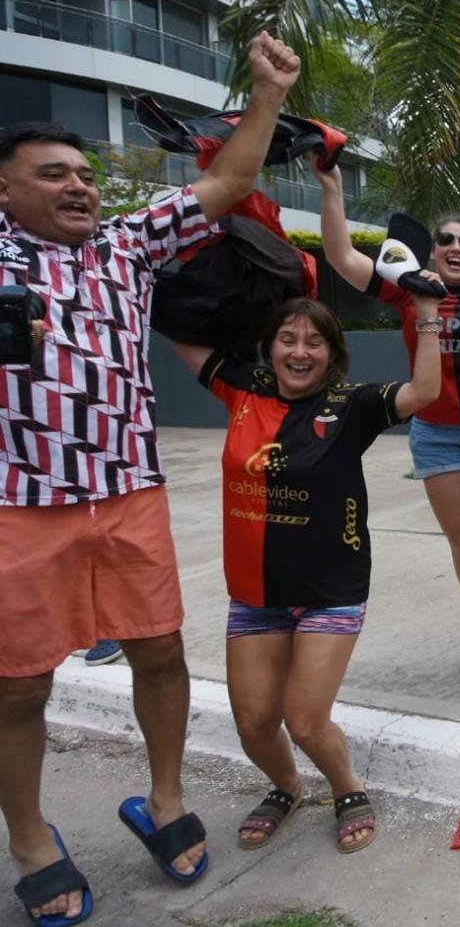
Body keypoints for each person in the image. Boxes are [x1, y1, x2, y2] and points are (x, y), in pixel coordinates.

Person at [0, 31, 299, 926]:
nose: (79, 185)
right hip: (20, 504)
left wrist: (268, 96)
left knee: (160, 652)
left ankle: (164, 798)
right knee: (18, 686)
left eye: (83, 174)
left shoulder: (125, 247)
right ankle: (30, 839)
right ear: (6, 190)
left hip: (130, 490)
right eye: (53, 174)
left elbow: (227, 185)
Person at [170, 294, 439, 857]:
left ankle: (347, 788)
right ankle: (288, 787)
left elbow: (425, 391)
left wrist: (428, 314)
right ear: (269, 347)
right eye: (287, 339)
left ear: (331, 352)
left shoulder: (351, 403)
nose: (299, 351)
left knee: (306, 722)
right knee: (254, 724)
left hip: (329, 593)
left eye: (313, 341)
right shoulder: (241, 389)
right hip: (255, 595)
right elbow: (183, 335)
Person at [319, 178, 460, 694]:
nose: (455, 247)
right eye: (446, 239)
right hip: (438, 431)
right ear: (433, 251)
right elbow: (339, 255)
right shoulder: (409, 290)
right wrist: (332, 188)